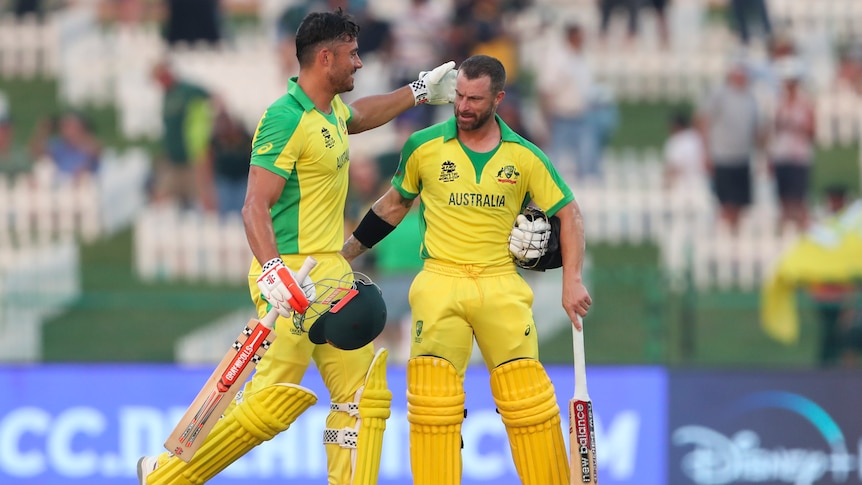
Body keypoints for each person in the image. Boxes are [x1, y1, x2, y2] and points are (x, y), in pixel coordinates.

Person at [136, 8, 457, 485]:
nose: (360, 63)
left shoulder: (329, 112)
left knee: (363, 395)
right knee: (273, 401)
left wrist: (417, 91)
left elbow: (360, 115)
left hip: (331, 272)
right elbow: (253, 206)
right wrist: (272, 272)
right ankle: (166, 478)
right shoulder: (285, 118)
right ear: (324, 58)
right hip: (292, 275)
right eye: (352, 55)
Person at [341, 54, 592, 485]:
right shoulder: (423, 146)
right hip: (440, 279)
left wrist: (572, 279)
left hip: (501, 284)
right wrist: (345, 254)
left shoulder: (525, 156)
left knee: (527, 401)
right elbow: (394, 204)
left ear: (498, 98)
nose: (463, 106)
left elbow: (569, 213)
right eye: (458, 95)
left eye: (475, 99)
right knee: (432, 402)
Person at [696, 61, 764, 232]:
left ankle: (735, 235)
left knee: (741, 203)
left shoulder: (750, 98)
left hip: (742, 156)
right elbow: (703, 120)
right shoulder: (720, 95)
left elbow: (756, 129)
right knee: (725, 202)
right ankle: (724, 234)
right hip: (722, 155)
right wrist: (706, 152)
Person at [151, 60, 213, 210]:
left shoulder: (187, 91)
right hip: (173, 159)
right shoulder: (166, 96)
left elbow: (209, 98)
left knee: (198, 199)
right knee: (161, 197)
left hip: (191, 159)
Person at [768, 58, 815, 232]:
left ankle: (801, 231)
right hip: (781, 155)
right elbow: (773, 130)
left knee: (798, 200)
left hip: (799, 156)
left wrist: (795, 127)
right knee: (784, 200)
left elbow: (811, 130)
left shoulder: (805, 104)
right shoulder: (779, 103)